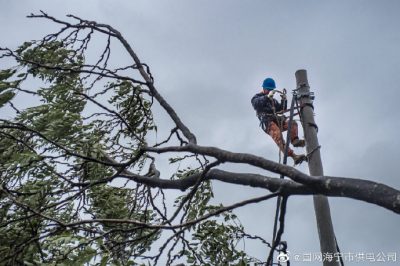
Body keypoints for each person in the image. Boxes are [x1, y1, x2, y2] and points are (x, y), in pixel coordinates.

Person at [251, 77, 307, 165]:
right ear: (264, 88)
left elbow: (282, 109)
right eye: (268, 90)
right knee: (278, 136)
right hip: (267, 122)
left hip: (276, 119)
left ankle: (295, 141)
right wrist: (267, 97)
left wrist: (284, 99)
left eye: (271, 90)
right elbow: (256, 105)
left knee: (292, 123)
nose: (270, 91)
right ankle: (294, 156)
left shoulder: (272, 101)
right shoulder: (256, 97)